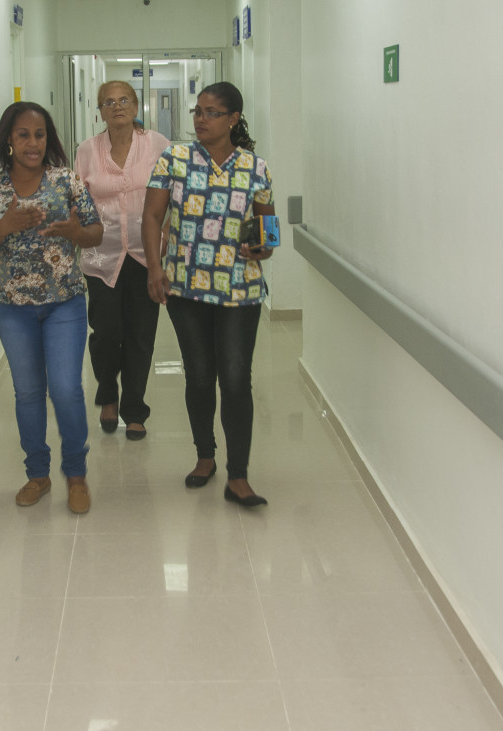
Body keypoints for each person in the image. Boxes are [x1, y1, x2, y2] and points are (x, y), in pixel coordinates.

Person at [0, 101, 104, 513]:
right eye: (23, 135)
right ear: (8, 140)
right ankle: (37, 475)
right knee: (27, 393)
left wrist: (77, 232)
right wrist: (4, 227)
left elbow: (96, 232)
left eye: (39, 135)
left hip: (65, 303)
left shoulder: (67, 180)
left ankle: (76, 475)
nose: (33, 143)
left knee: (66, 389)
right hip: (14, 308)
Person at [141, 81, 275, 507]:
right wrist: (155, 267)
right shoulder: (174, 159)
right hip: (186, 287)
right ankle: (205, 456)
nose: (200, 119)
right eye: (197, 111)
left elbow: (267, 228)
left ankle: (239, 475)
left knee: (235, 378)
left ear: (233, 119)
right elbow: (152, 216)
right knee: (199, 375)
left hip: (239, 288)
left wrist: (264, 246)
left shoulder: (255, 167)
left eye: (211, 112)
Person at [72, 81, 171, 441]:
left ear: (136, 105)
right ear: (100, 111)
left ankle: (134, 409)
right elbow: (78, 200)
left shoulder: (157, 145)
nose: (117, 107)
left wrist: (167, 236)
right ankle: (107, 394)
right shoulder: (87, 150)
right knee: (105, 334)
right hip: (102, 257)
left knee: (140, 335)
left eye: (124, 100)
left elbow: (176, 193)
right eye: (109, 102)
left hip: (146, 256)